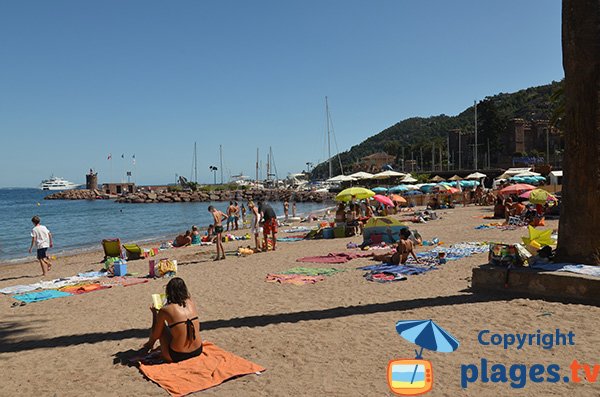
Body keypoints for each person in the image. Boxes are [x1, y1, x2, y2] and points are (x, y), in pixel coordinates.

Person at [142, 277, 203, 363]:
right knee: (178, 327)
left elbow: (156, 334)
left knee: (162, 328)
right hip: (198, 350)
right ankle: (149, 345)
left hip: (177, 355)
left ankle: (149, 345)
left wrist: (155, 314)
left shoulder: (165, 310)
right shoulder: (191, 302)